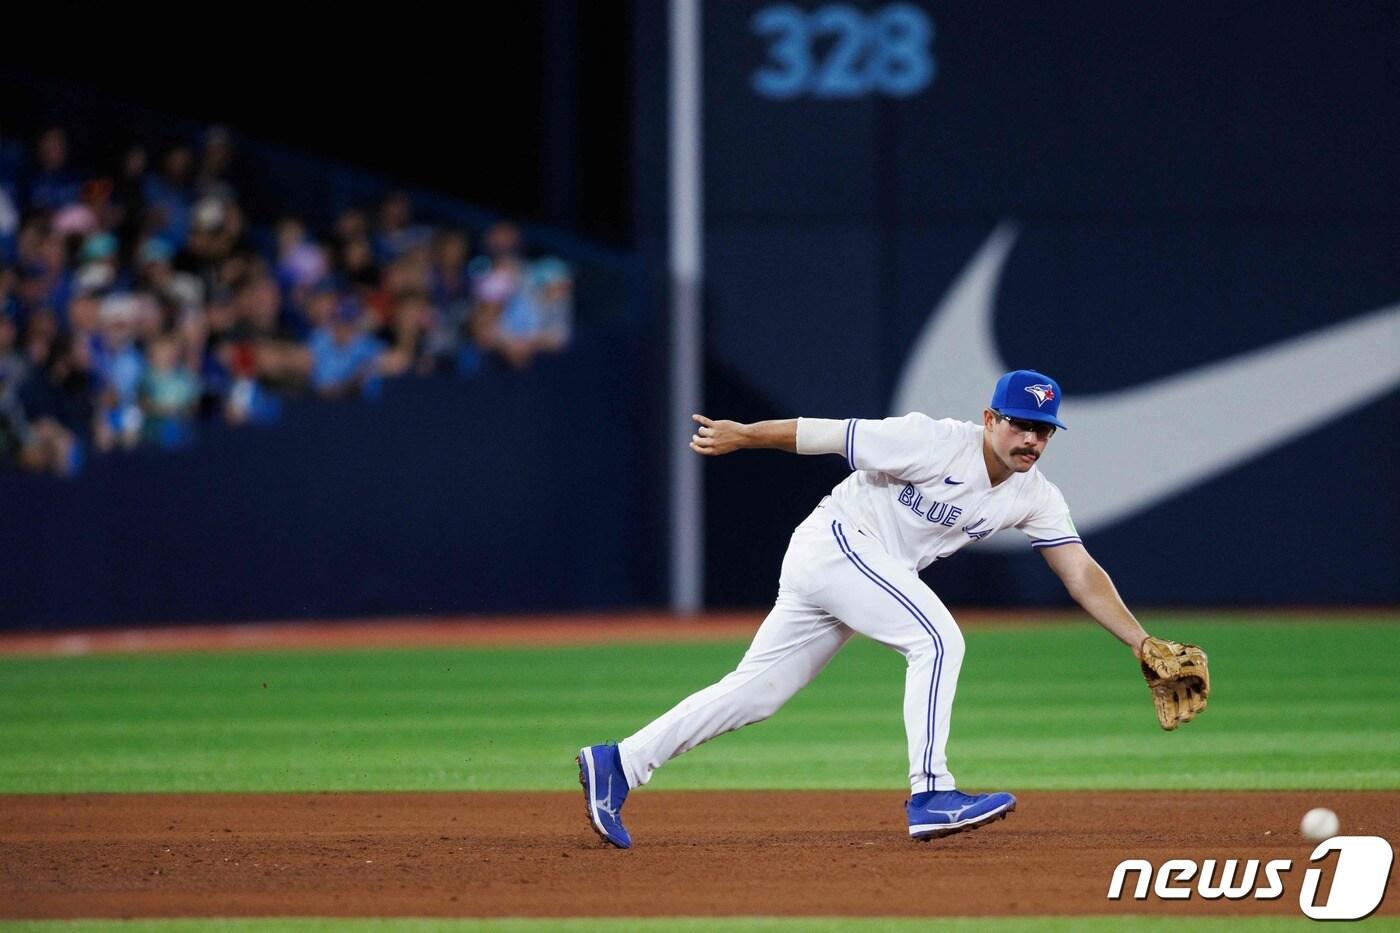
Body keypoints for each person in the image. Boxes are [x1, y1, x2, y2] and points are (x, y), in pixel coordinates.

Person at [578, 370, 1206, 848]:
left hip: (860, 572)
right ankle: (931, 794)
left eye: (1043, 430)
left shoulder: (1034, 495)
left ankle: (620, 762)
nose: (1031, 439)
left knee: (755, 694)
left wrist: (1138, 640)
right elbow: (823, 434)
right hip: (838, 545)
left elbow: (1079, 571)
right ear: (989, 418)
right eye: (1020, 424)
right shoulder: (932, 441)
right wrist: (746, 435)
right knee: (938, 640)